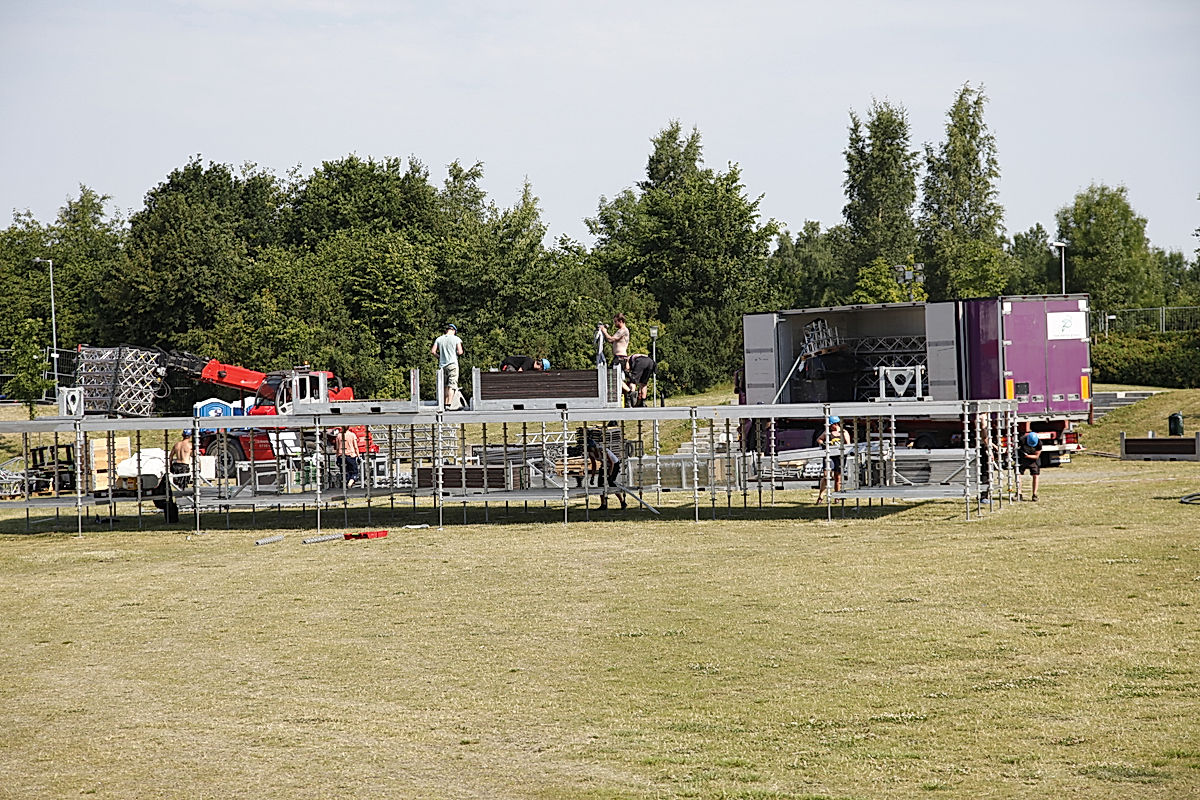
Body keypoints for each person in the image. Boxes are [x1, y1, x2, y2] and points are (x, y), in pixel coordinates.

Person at [814, 416, 850, 504]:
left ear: (835, 424)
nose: (829, 427)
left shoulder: (843, 432)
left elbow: (848, 444)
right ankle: (821, 497)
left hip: (839, 456)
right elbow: (819, 439)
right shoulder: (827, 433)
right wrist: (824, 444)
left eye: (831, 425)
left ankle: (837, 496)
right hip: (829, 456)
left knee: (838, 477)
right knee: (826, 475)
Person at [586, 435, 626, 510]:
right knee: (600, 484)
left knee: (611, 482)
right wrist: (592, 476)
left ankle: (622, 502)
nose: (589, 450)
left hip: (614, 464)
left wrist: (610, 473)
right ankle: (603, 504)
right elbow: (594, 465)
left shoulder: (602, 450)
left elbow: (612, 463)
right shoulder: (590, 453)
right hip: (604, 465)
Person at [431, 323, 464, 409]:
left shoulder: (439, 339)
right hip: (452, 364)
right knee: (452, 385)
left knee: (445, 385)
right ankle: (449, 405)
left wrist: (439, 357)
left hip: (442, 365)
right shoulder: (456, 339)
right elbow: (460, 352)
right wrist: (455, 353)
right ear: (453, 331)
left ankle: (444, 404)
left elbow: (433, 351)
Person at [1018, 431, 1042, 501]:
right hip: (1022, 459)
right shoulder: (1022, 440)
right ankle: (1019, 494)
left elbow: (1036, 456)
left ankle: (1034, 495)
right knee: (1018, 475)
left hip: (1033, 459)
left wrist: (1027, 456)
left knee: (1035, 475)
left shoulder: (1039, 443)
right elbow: (1015, 446)